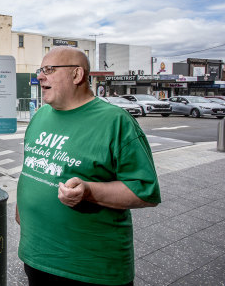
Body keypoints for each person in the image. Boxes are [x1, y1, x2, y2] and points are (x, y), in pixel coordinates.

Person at [16, 46, 161, 286]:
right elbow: (31, 169)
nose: (40, 76)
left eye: (49, 70)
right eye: (40, 70)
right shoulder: (41, 116)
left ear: (77, 75)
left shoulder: (116, 122)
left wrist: (89, 191)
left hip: (90, 268)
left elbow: (145, 192)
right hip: (37, 257)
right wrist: (23, 209)